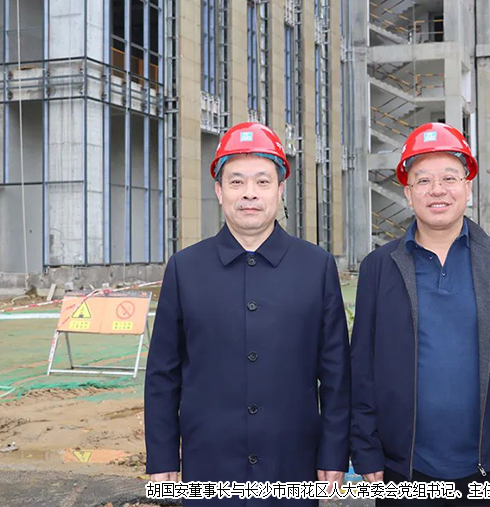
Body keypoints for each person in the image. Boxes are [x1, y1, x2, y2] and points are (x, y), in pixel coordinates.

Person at [145, 122, 351, 506]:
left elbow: (336, 373)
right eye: (236, 182)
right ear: (219, 191)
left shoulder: (315, 266)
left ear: (280, 189)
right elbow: (162, 373)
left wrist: (334, 452)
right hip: (208, 465)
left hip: (293, 463)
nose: (250, 193)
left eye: (262, 181)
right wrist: (162, 456)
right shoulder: (185, 269)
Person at [350, 122, 490, 506]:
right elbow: (362, 368)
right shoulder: (379, 267)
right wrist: (366, 447)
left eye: (449, 178)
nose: (437, 189)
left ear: (468, 186)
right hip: (403, 468)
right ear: (408, 192)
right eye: (423, 180)